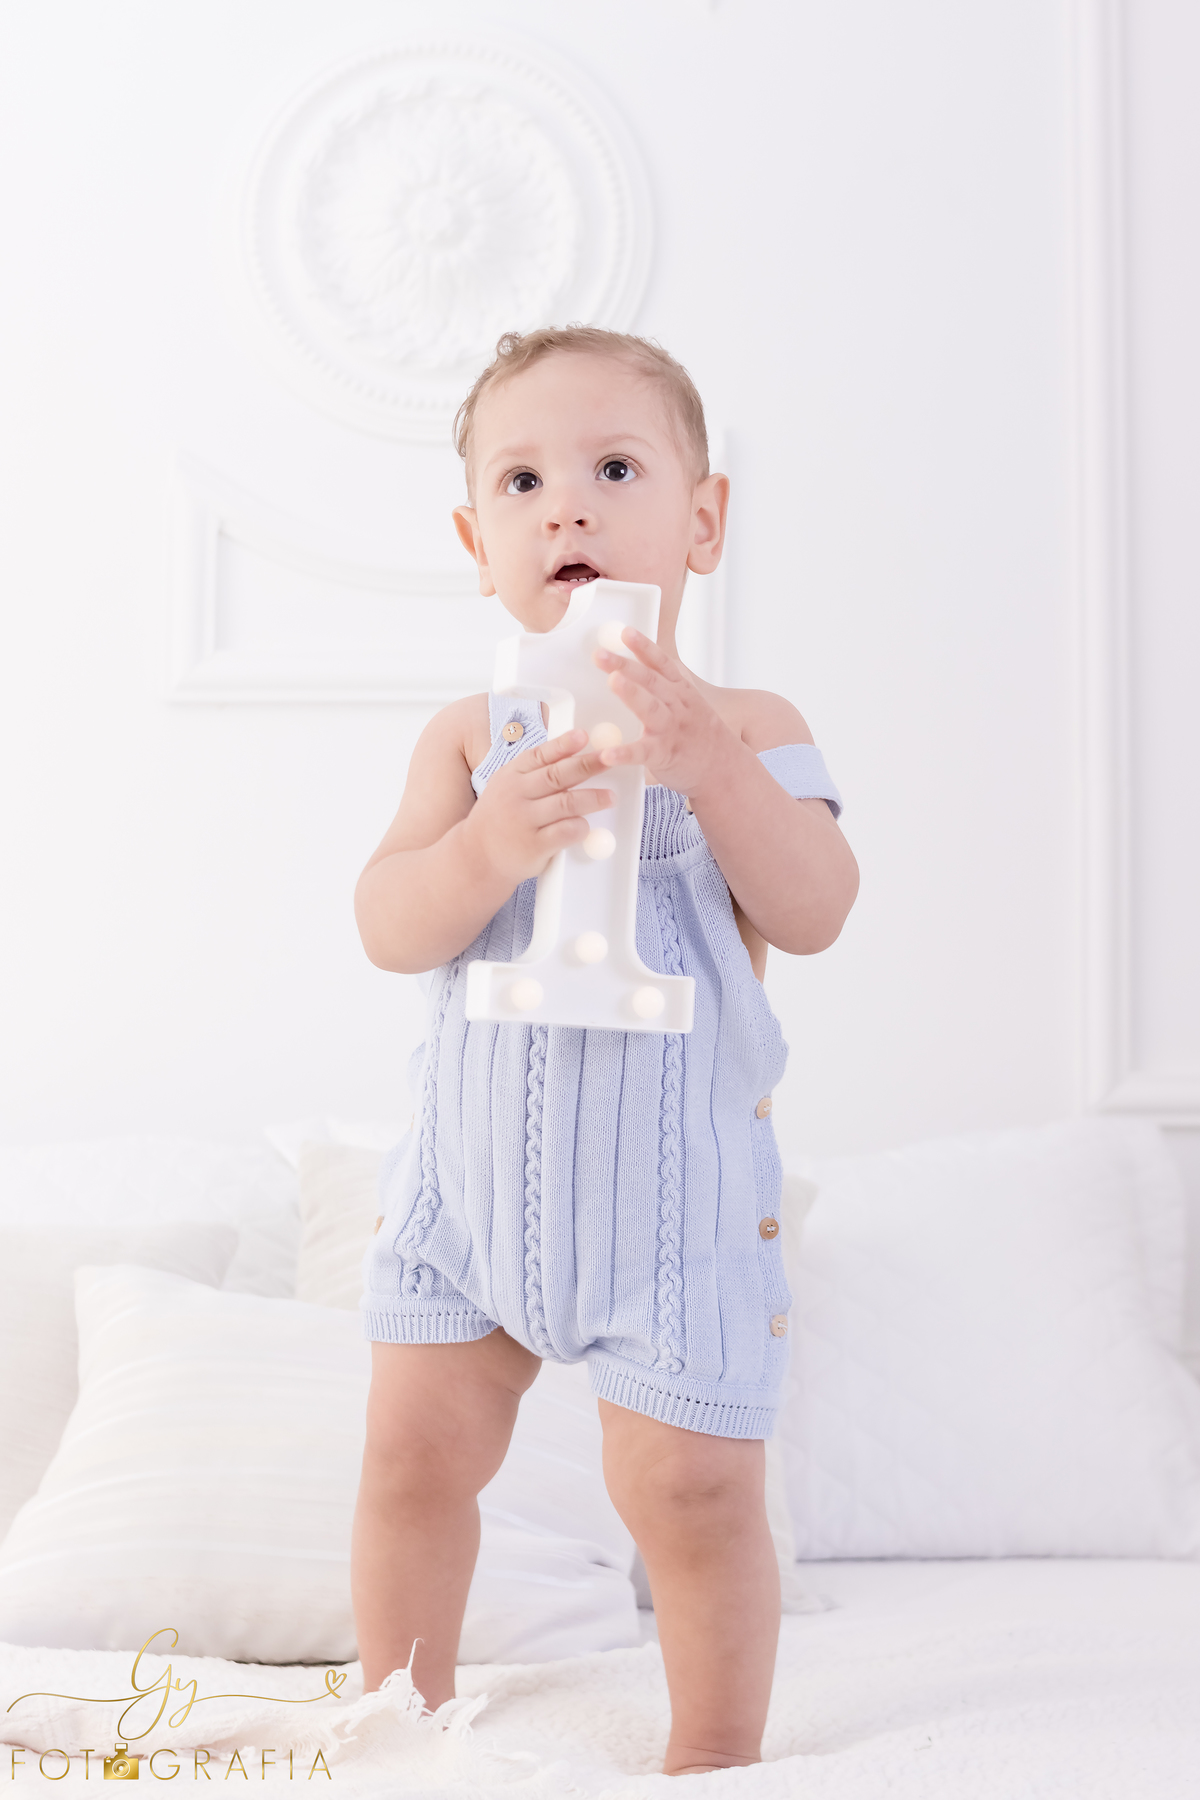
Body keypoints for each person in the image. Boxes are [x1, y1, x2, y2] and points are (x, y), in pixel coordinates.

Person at [350, 325, 859, 1777]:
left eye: (613, 468)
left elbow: (816, 909)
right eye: (522, 480)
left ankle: (712, 1749)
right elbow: (391, 922)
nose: (565, 506)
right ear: (476, 537)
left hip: (673, 1216)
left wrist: (709, 764)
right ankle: (401, 1719)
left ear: (702, 521)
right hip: (468, 1213)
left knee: (693, 1492)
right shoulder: (469, 740)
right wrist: (485, 846)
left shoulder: (755, 728)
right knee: (409, 1466)